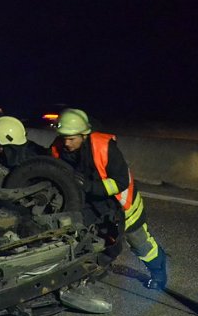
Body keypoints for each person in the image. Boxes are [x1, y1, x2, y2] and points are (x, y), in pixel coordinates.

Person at [50, 108, 168, 290]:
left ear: (84, 135)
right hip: (93, 205)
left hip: (123, 206)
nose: (66, 143)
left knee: (140, 243)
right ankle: (84, 274)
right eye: (64, 137)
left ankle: (159, 273)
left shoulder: (105, 148)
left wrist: (89, 186)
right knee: (88, 238)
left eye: (71, 139)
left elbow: (121, 181)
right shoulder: (59, 147)